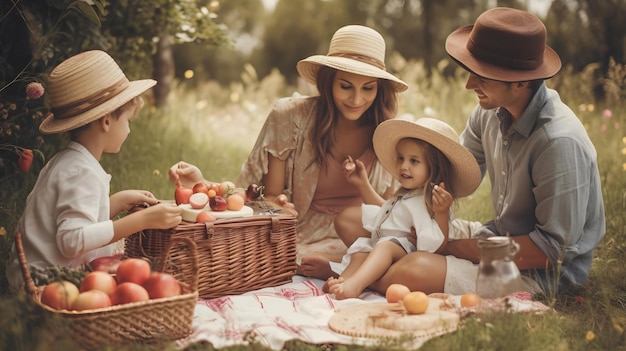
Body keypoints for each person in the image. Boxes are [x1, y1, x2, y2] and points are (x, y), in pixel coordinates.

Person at [306, 7, 606, 297]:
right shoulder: (489, 113)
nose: (468, 84)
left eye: (481, 75)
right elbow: (443, 178)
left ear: (522, 80)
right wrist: (415, 216)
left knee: (410, 269)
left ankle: (349, 274)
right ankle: (364, 269)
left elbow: (552, 250)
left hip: (537, 270)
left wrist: (446, 247)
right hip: (494, 236)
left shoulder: (558, 142)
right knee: (350, 219)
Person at [169, 25, 408, 265]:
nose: (357, 100)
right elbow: (269, 197)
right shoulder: (291, 117)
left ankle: (344, 264)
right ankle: (345, 264)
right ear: (328, 82)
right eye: (345, 86)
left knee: (396, 251)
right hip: (301, 230)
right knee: (240, 256)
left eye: (368, 88)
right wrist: (277, 204)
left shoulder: (390, 132)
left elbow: (392, 213)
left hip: (363, 232)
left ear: (380, 87)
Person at [7, 50, 183, 291]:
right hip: (46, 284)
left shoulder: (69, 162)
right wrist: (141, 220)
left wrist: (116, 203)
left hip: (36, 275)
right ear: (107, 120)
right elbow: (71, 241)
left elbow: (77, 220)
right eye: (128, 121)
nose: (129, 130)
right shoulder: (81, 172)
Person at [326, 117, 480, 299]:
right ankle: (343, 280)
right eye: (401, 158)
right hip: (384, 241)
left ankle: (355, 284)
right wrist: (363, 184)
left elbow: (435, 244)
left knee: (385, 247)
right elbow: (385, 213)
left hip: (403, 248)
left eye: (414, 161)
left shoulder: (428, 200)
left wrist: (441, 213)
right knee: (361, 250)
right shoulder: (407, 194)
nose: (403, 166)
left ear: (434, 168)